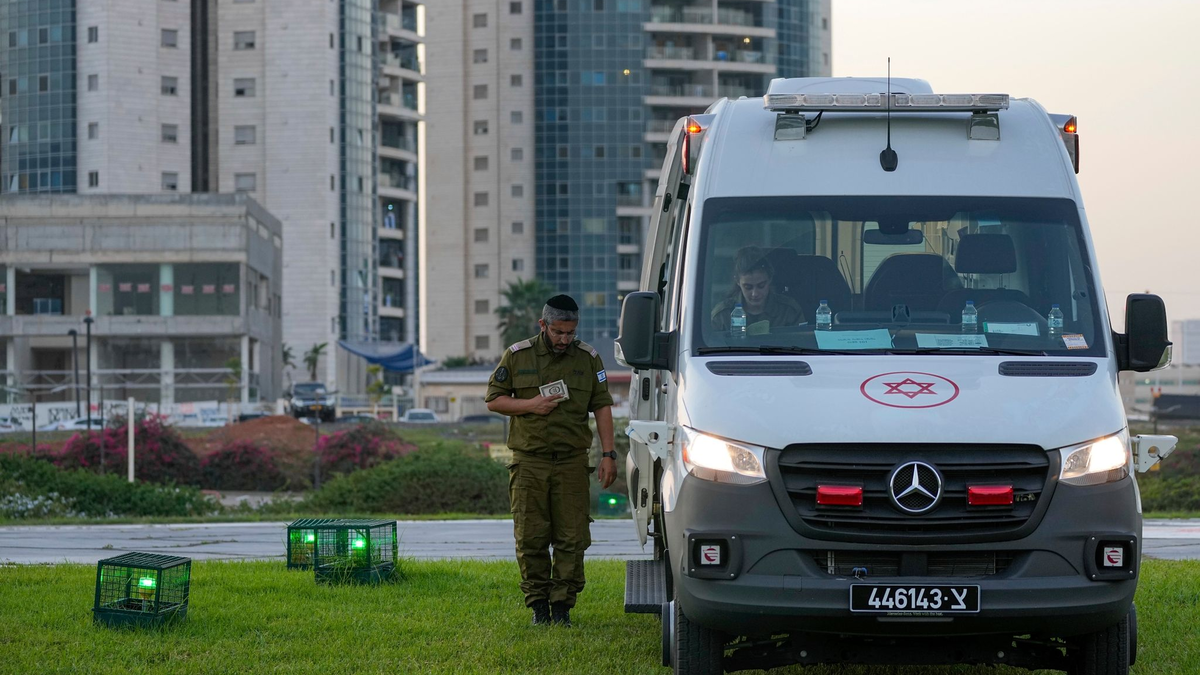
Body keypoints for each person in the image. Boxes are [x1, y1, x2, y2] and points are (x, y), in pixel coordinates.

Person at [485, 294, 617, 627]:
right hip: (529, 461)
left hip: (572, 461)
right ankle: (538, 608)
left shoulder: (588, 358)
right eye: (558, 332)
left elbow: (601, 406)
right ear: (543, 325)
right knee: (531, 536)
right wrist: (531, 405)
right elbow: (494, 400)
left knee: (572, 538)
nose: (564, 339)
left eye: (570, 333)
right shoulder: (518, 355)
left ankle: (562, 608)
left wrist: (608, 454)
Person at [710, 245, 804, 332]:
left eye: (761, 286)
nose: (755, 293)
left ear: (770, 279)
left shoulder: (789, 311)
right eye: (748, 287)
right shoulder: (722, 315)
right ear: (738, 282)